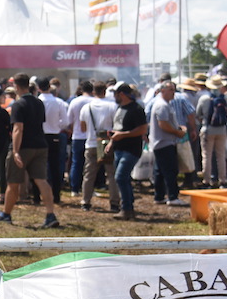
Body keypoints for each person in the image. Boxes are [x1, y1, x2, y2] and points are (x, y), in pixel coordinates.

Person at [0, 73, 60, 228]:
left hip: (23, 147)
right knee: (41, 180)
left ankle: (6, 214)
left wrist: (15, 151)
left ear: (16, 86)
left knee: (13, 182)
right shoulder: (39, 102)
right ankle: (50, 214)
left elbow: (18, 129)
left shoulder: (18, 104)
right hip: (41, 145)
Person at [106, 82, 148, 221]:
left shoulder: (136, 109)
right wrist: (112, 140)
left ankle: (126, 208)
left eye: (116, 94)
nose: (114, 97)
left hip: (131, 149)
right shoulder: (120, 108)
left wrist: (122, 135)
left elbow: (142, 129)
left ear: (122, 94)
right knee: (123, 178)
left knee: (120, 177)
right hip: (119, 148)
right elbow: (118, 127)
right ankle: (128, 208)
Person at [79, 81, 120, 213]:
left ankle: (85, 202)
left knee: (89, 174)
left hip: (91, 143)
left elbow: (83, 128)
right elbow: (116, 125)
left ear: (93, 91)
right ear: (105, 91)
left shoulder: (86, 107)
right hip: (108, 143)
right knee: (112, 175)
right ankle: (114, 203)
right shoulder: (112, 106)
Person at [148, 80, 187, 206]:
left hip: (160, 142)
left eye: (174, 89)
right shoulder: (162, 105)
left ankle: (159, 196)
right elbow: (163, 124)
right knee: (170, 170)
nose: (173, 92)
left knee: (159, 171)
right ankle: (172, 196)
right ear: (162, 90)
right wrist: (177, 132)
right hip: (164, 142)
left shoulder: (164, 104)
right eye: (170, 90)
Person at [194, 77, 227, 187]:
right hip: (222, 129)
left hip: (208, 129)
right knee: (221, 155)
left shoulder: (204, 99)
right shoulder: (225, 99)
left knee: (206, 155)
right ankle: (222, 180)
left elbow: (198, 114)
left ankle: (207, 180)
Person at [38, 76, 68, 204]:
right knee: (55, 167)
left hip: (40, 136)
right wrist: (56, 126)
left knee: (39, 166)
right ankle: (56, 196)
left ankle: (38, 195)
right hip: (54, 136)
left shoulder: (37, 101)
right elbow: (65, 122)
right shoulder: (59, 102)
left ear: (39, 88)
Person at [66, 79, 94, 200]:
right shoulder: (94, 101)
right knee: (91, 165)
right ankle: (90, 188)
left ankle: (74, 188)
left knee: (76, 163)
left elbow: (69, 121)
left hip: (77, 136)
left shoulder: (74, 102)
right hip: (91, 137)